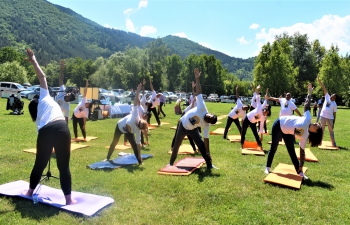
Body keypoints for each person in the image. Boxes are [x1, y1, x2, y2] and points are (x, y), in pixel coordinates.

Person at [22, 49, 76, 205]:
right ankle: (69, 200)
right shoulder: (45, 97)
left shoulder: (38, 118)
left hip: (46, 130)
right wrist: (33, 61)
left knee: (40, 164)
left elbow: (44, 135)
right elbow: (42, 76)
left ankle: (29, 192)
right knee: (63, 166)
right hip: (62, 127)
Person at [265, 83, 323, 179]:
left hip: (288, 133)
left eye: (317, 126)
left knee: (291, 151)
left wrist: (301, 165)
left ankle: (300, 172)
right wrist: (309, 93)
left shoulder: (305, 137)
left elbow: (302, 152)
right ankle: (267, 167)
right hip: (279, 125)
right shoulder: (307, 119)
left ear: (315, 132)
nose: (316, 123)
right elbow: (307, 106)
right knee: (273, 147)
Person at [169, 68, 218, 169]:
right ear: (211, 113)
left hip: (193, 130)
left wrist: (208, 152)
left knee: (201, 147)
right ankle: (170, 163)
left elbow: (206, 139)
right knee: (177, 146)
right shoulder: (203, 107)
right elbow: (199, 92)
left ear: (209, 122)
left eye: (209, 120)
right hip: (182, 125)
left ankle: (209, 165)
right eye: (210, 116)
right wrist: (197, 79)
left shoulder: (206, 125)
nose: (208, 118)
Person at [105, 84, 148, 163]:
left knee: (134, 145)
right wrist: (137, 91)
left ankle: (140, 162)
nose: (137, 123)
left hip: (128, 132)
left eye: (139, 125)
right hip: (119, 126)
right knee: (115, 142)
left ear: (139, 128)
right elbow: (135, 103)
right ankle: (107, 158)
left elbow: (138, 145)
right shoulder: (136, 116)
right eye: (139, 122)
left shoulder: (138, 131)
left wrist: (139, 156)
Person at [317, 76, 337, 147]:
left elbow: (334, 114)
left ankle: (333, 143)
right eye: (331, 95)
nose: (331, 97)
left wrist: (333, 122)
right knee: (321, 130)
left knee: (331, 131)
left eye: (333, 97)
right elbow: (324, 87)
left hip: (330, 118)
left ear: (335, 99)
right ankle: (320, 142)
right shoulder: (327, 96)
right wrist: (319, 81)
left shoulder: (335, 104)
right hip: (323, 116)